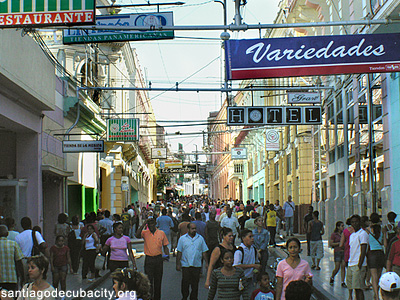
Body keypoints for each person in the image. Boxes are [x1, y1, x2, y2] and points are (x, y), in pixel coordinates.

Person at [136, 218, 169, 300]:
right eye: (149, 224)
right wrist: (143, 224)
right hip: (149, 259)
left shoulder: (161, 233)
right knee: (148, 281)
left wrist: (167, 255)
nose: (151, 226)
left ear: (155, 224)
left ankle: (157, 298)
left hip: (158, 259)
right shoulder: (145, 233)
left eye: (152, 224)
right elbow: (137, 235)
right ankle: (149, 297)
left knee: (158, 281)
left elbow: (165, 246)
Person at [176, 222, 208, 300]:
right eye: (192, 229)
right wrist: (178, 264)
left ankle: (193, 297)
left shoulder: (200, 238)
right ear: (188, 229)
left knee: (195, 284)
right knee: (185, 283)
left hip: (196, 265)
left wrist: (207, 263)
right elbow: (179, 252)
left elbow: (204, 251)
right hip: (186, 265)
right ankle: (184, 296)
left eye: (195, 228)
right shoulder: (182, 239)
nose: (194, 230)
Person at [346, 214, 369, 300]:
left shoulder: (363, 234)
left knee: (358, 288)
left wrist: (360, 264)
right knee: (352, 287)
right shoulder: (352, 235)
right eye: (352, 222)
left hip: (358, 264)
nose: (354, 224)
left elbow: (363, 250)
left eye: (356, 222)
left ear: (359, 222)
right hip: (351, 264)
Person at [233, 229, 262, 295]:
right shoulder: (239, 251)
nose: (252, 239)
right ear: (243, 238)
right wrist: (252, 265)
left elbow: (256, 261)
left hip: (250, 279)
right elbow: (236, 266)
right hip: (240, 280)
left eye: (252, 237)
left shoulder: (253, 249)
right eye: (250, 237)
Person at [0, 225, 24, 292]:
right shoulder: (13, 244)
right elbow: (19, 262)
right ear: (7, 234)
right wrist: (22, 276)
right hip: (12, 279)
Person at [367, 215, 385, 300]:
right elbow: (384, 244)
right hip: (380, 253)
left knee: (373, 276)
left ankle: (376, 296)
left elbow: (367, 244)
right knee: (378, 276)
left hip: (372, 254)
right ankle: (377, 293)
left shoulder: (368, 230)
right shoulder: (382, 230)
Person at [330, 221, 346, 286]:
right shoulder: (334, 235)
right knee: (337, 267)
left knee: (343, 266)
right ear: (338, 227)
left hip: (343, 251)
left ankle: (343, 281)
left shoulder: (344, 234)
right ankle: (332, 276)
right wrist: (339, 243)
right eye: (342, 226)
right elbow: (331, 243)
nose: (343, 227)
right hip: (337, 252)